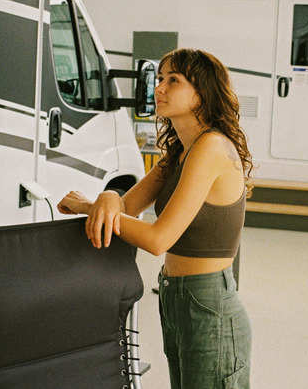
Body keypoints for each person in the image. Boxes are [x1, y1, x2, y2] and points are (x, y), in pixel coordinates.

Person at [57, 48, 254, 388]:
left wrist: (92, 206)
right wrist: (106, 198)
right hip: (177, 298)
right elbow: (126, 208)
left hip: (208, 305)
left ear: (202, 93)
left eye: (173, 81)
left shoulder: (211, 147)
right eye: (159, 79)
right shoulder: (179, 151)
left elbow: (157, 239)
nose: (158, 88)